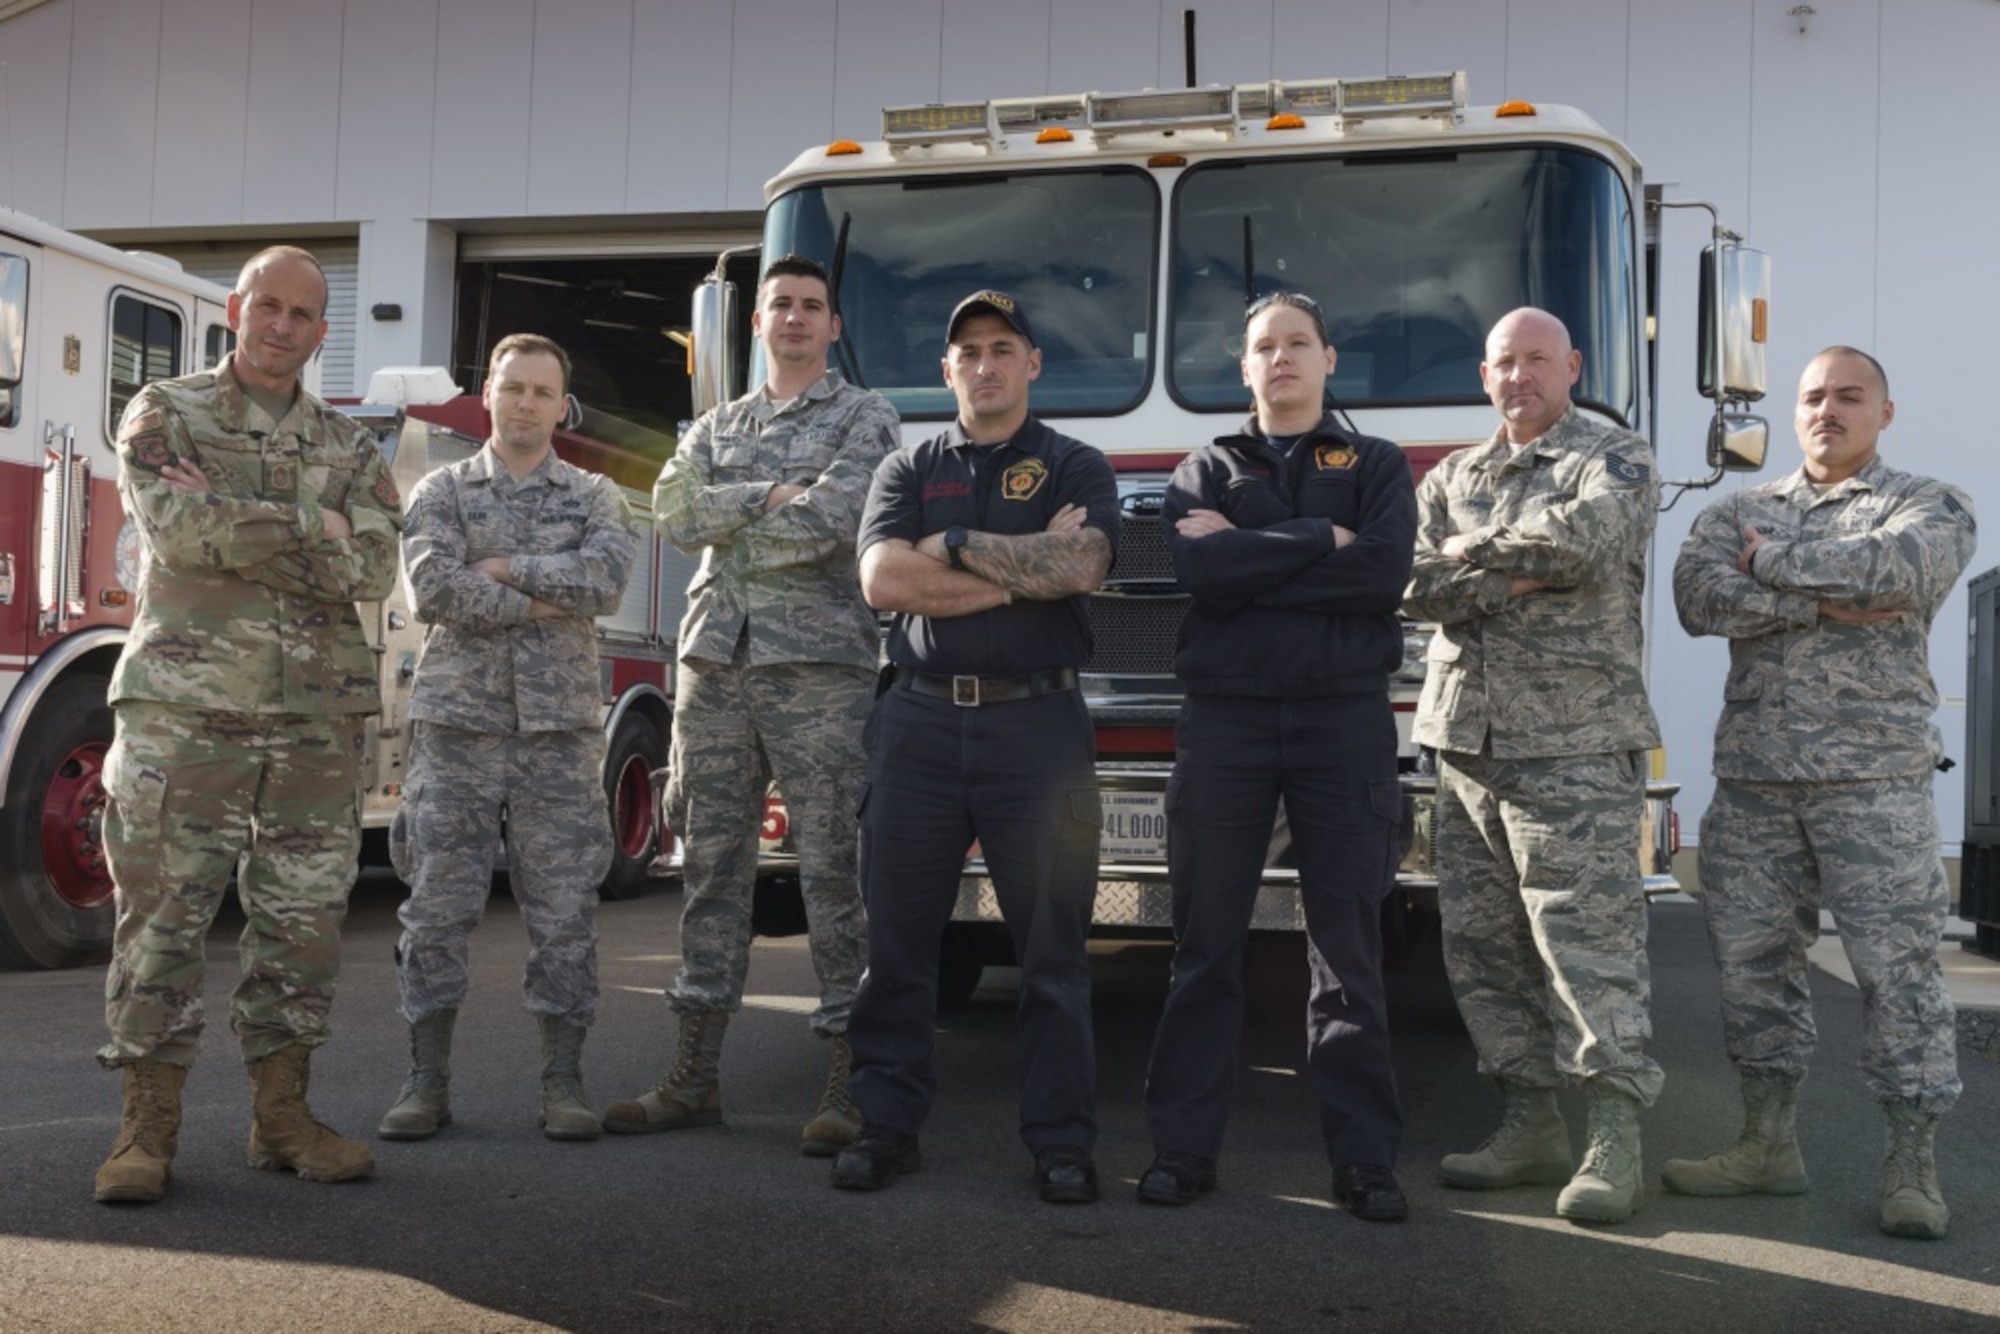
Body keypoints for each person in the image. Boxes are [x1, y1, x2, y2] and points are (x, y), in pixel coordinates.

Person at [92, 246, 401, 1204]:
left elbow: (377, 567)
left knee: (302, 925)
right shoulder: (164, 412)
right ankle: (147, 1130)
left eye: (303, 314)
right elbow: (180, 534)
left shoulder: (349, 447)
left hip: (314, 720)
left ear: (320, 330)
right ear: (237, 308)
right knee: (164, 917)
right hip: (186, 713)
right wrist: (321, 528)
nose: (282, 326)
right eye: (268, 305)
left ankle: (283, 1119)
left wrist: (252, 522)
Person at [1667, 346, 1975, 1240]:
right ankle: (1767, 1146)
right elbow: (1694, 594)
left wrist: (1768, 569)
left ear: (1886, 410)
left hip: (1873, 782)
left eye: (1848, 395)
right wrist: (1816, 597)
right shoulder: (1741, 510)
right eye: (1811, 398)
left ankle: (1912, 1163)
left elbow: (1902, 572)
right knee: (1752, 971)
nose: (1826, 410)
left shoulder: (1931, 502)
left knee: (1899, 975)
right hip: (1757, 781)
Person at [605, 256, 899, 1155]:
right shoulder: (713, 424)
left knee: (835, 874)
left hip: (820, 669)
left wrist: (738, 517)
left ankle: (853, 1081)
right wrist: (769, 495)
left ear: (834, 327)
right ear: (758, 324)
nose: (797, 318)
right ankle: (693, 1076)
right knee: (711, 874)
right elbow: (674, 515)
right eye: (781, 305)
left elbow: (834, 522)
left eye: (813, 307)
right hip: (714, 666)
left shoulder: (867, 416)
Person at [831, 290, 1117, 1203]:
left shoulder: (1077, 462)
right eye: (968, 353)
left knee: (1053, 953)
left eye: (1002, 348)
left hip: (1038, 729)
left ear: (1033, 363)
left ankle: (1062, 1142)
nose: (985, 364)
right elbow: (882, 580)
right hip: (916, 723)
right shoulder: (906, 467)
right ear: (947, 370)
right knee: (900, 945)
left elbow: (1082, 565)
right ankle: (886, 1126)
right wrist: (1014, 571)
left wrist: (948, 551)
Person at [1138, 292, 1415, 1222]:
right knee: (1203, 947)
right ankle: (1181, 1149)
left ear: (1329, 358)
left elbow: (1381, 575)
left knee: (1348, 952)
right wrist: (1316, 540)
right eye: (1265, 345)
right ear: (1244, 366)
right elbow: (1200, 576)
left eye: (1299, 341)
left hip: (1344, 722)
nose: (1283, 357)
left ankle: (1365, 1161)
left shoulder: (1376, 464)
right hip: (1227, 723)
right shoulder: (1201, 467)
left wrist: (1254, 550)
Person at [1402, 306, 1663, 1226]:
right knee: (1483, 949)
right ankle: (1529, 1120)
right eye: (1504, 362)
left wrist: (1476, 555)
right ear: (1485, 376)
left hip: (1575, 742)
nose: (1521, 376)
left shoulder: (1615, 456)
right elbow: (1414, 582)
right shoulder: (1455, 475)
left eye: (1538, 360)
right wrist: (1512, 571)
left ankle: (1614, 1137)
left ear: (1572, 366)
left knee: (1587, 947)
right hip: (1466, 744)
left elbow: (1587, 541)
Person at [378, 333, 638, 1144]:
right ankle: (426, 1079)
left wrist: (501, 568)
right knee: (436, 910)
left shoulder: (599, 497)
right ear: (486, 395)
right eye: (512, 387)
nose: (525, 403)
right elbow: (432, 589)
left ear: (563, 407)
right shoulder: (441, 491)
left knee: (564, 915)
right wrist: (541, 595)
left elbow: (606, 581)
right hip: (457, 731)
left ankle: (563, 1081)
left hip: (558, 736)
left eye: (541, 392)